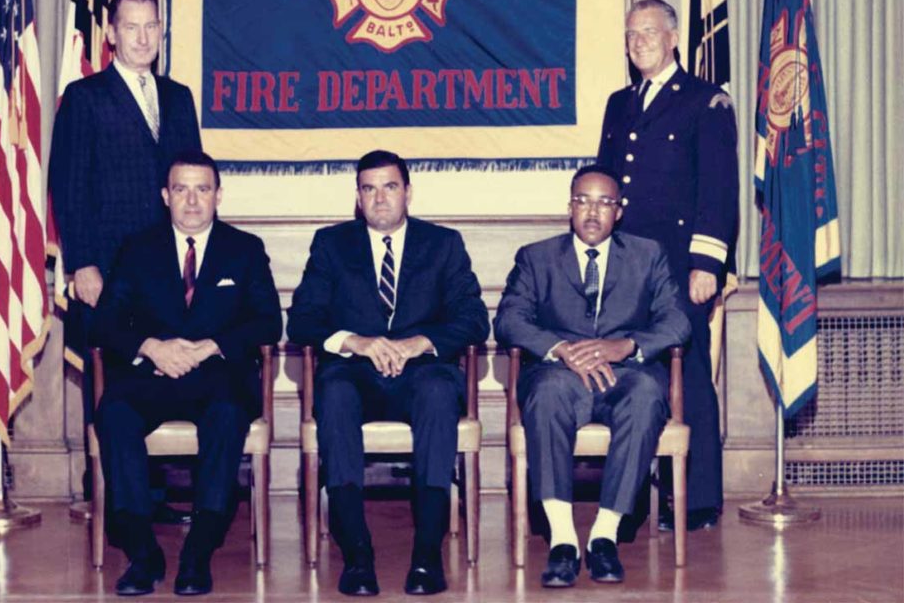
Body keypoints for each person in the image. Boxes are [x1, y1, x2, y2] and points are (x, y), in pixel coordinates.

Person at [287, 150, 489, 597]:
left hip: (422, 375)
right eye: (369, 189)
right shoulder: (331, 244)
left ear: (408, 193)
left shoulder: (443, 244)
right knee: (334, 392)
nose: (379, 199)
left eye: (390, 187)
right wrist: (356, 341)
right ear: (358, 198)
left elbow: (474, 318)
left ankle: (426, 554)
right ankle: (357, 555)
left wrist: (421, 342)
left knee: (439, 391)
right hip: (355, 376)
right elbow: (301, 320)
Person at [93, 150, 282, 596]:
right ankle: (142, 552)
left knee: (227, 415)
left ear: (218, 195)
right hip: (152, 377)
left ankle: (199, 550)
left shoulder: (245, 249)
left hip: (217, 377)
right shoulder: (137, 250)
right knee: (114, 413)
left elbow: (268, 322)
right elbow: (103, 321)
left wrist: (211, 347)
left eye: (202, 190)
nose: (192, 201)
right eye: (181, 190)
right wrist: (152, 348)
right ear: (165, 196)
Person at [494, 165, 690, 587]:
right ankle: (563, 541)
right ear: (570, 207)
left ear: (619, 211)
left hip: (625, 374)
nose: (592, 211)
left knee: (645, 395)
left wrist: (627, 346)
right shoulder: (536, 257)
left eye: (604, 202)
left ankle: (604, 536)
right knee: (545, 393)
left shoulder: (647, 254)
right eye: (583, 200)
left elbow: (677, 321)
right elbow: (509, 320)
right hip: (559, 374)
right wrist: (561, 349)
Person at [49, 0, 202, 524]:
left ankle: (156, 495)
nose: (143, 38)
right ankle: (114, 503)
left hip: (166, 267)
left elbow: (193, 181)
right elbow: (67, 186)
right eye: (131, 27)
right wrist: (82, 262)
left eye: (151, 27)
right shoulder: (85, 96)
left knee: (162, 373)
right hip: (108, 268)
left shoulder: (178, 97)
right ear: (110, 33)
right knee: (114, 380)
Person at [597, 0, 738, 531]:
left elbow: (719, 189)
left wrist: (708, 264)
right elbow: (607, 183)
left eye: (649, 33)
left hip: (682, 265)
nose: (639, 44)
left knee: (691, 372)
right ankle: (629, 500)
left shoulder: (706, 101)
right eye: (631, 35)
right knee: (630, 373)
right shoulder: (619, 102)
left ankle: (697, 499)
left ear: (674, 37)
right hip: (627, 266)